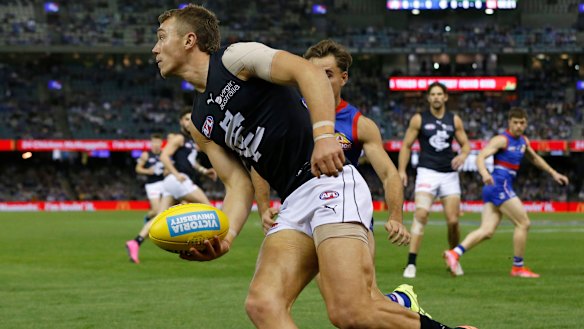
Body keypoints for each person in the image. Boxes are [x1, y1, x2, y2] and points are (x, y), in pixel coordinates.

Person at [152, 5, 476, 329]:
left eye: (162, 37)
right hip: (293, 200)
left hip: (328, 181)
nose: (155, 48)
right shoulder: (198, 123)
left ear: (189, 40)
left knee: (350, 312)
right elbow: (238, 184)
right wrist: (227, 236)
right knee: (263, 304)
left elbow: (309, 72)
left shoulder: (235, 59)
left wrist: (323, 134)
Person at [251, 39, 429, 316]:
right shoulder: (288, 114)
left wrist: (395, 216)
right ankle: (402, 302)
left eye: (328, 74)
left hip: (343, 211)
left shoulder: (359, 123)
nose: (319, 81)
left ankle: (405, 307)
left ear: (343, 78)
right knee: (348, 306)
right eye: (311, 74)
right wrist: (263, 206)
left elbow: (389, 173)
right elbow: (258, 158)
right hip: (299, 211)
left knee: (355, 304)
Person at [444, 107, 569, 278]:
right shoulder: (502, 140)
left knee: (487, 230)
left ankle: (454, 253)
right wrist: (484, 173)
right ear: (509, 122)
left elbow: (534, 158)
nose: (518, 126)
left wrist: (554, 173)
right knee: (523, 223)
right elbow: (481, 156)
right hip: (499, 185)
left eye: (522, 123)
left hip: (495, 188)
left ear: (526, 123)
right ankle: (518, 267)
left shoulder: (523, 141)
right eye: (515, 122)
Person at [398, 82, 470, 278]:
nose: (437, 97)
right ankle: (411, 263)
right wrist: (402, 170)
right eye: (433, 94)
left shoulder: (454, 120)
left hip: (449, 174)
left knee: (453, 221)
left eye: (440, 94)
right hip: (427, 172)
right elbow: (406, 145)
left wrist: (463, 155)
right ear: (429, 98)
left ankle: (454, 258)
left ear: (445, 97)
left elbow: (466, 145)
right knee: (421, 214)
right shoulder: (419, 119)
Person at [125, 110, 217, 264]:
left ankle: (136, 242)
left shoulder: (191, 141)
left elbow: (192, 162)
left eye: (191, 118)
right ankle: (205, 246)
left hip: (172, 183)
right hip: (178, 181)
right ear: (181, 121)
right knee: (208, 209)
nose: (189, 121)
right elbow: (164, 156)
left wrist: (205, 171)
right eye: (186, 119)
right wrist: (176, 174)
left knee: (159, 216)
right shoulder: (179, 138)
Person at [135, 133, 166, 223]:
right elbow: (137, 168)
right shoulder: (146, 155)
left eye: (158, 142)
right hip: (152, 184)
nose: (156, 144)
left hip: (165, 183)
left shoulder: (165, 153)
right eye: (154, 142)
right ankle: (148, 217)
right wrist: (147, 171)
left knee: (166, 208)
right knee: (156, 210)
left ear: (161, 143)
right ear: (151, 143)